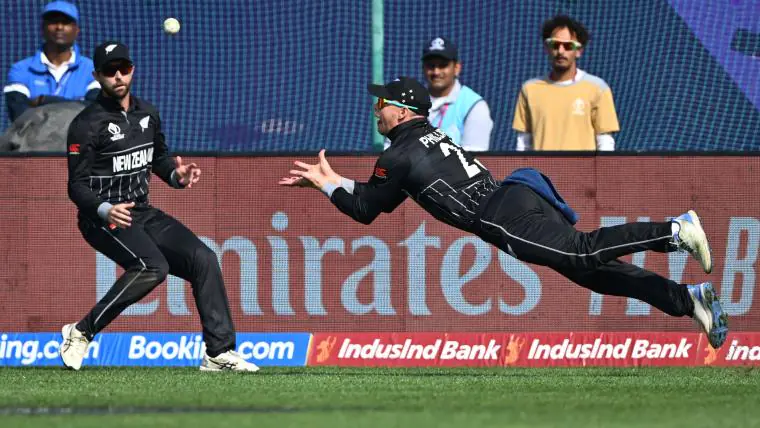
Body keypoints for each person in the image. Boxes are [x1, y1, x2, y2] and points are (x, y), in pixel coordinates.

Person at [279, 77, 728, 349]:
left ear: (401, 111)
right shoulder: (420, 140)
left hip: (499, 215)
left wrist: (326, 183)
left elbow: (364, 209)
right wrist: (334, 179)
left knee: (582, 252)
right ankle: (688, 300)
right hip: (515, 194)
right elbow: (384, 199)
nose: (376, 108)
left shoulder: (398, 153)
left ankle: (674, 230)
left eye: (382, 103)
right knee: (589, 272)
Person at [61, 41, 258, 372]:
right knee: (152, 266)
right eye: (110, 71)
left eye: (124, 68)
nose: (118, 76)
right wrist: (104, 209)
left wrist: (176, 175)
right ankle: (81, 332)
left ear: (133, 70)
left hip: (141, 211)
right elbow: (76, 185)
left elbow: (160, 158)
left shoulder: (147, 113)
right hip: (102, 217)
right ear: (97, 76)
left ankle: (218, 353)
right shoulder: (86, 124)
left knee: (203, 259)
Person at [513, 15, 619, 151]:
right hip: (540, 172)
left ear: (579, 51)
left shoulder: (598, 88)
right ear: (547, 47)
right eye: (555, 45)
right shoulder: (529, 89)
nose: (561, 51)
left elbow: (605, 143)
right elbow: (523, 144)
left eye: (568, 46)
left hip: (581, 172)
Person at [3, 1, 99, 122]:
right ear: (42, 28)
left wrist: (44, 101)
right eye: (53, 21)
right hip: (34, 140)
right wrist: (77, 106)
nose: (59, 27)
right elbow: (20, 117)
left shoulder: (93, 70)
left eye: (66, 22)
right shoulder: (20, 70)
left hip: (78, 140)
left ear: (76, 30)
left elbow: (95, 112)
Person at [421, 37, 493, 151]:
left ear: (457, 68)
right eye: (431, 65)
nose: (436, 72)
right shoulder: (408, 102)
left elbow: (473, 160)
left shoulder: (474, 106)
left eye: (443, 65)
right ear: (423, 68)